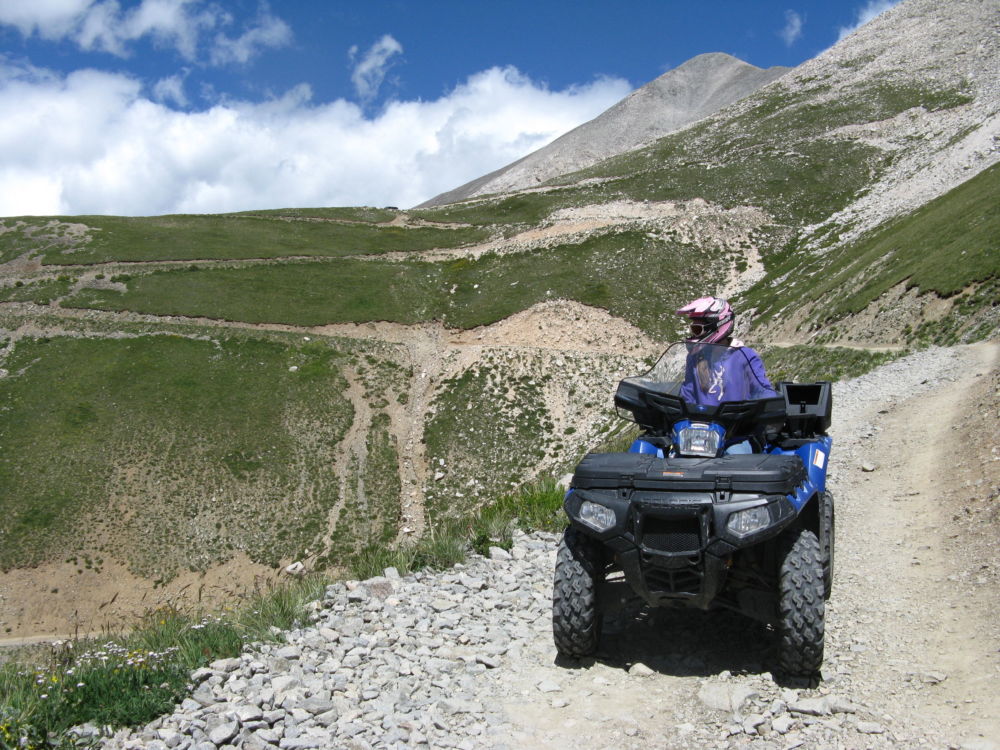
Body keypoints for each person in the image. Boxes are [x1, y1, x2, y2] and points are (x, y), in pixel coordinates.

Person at [676, 296, 776, 454]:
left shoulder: (744, 355)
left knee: (735, 456)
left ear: (717, 326)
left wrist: (770, 405)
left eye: (697, 329)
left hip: (735, 435)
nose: (694, 335)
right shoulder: (695, 358)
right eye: (693, 329)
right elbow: (688, 393)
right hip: (700, 433)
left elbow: (761, 388)